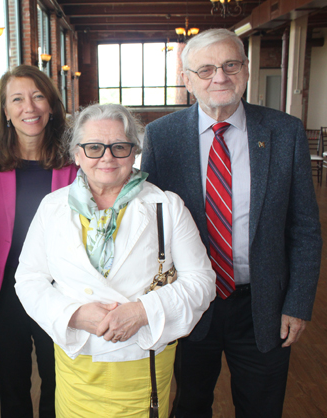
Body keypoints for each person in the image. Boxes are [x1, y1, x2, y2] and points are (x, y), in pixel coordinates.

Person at [141, 28, 322, 418]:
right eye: (205, 69)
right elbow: (148, 225)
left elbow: (305, 228)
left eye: (230, 65)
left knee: (262, 408)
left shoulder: (285, 131)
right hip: (190, 304)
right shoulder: (161, 136)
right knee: (189, 406)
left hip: (265, 306)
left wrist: (298, 303)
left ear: (246, 70)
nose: (219, 77)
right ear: (186, 79)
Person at [14, 103, 216, 418]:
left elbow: (202, 282)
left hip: (143, 363)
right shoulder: (52, 208)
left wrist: (142, 312)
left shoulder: (167, 206)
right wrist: (74, 315)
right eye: (94, 147)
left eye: (119, 147)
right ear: (77, 154)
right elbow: (28, 279)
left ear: (134, 152)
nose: (107, 157)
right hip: (77, 364)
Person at [0, 64, 78, 418]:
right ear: (5, 111)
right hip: (4, 293)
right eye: (17, 99)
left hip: (61, 292)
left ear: (51, 105)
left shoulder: (76, 158)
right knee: (12, 387)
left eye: (38, 97)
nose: (29, 108)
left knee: (59, 383)